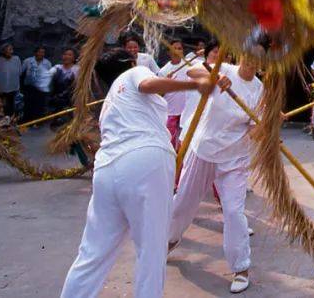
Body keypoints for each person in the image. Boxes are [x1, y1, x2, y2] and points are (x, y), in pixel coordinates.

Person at [59, 43, 221, 298]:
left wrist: (201, 77)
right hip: (144, 162)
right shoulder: (133, 75)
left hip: (107, 171)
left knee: (93, 252)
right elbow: (149, 85)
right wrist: (195, 86)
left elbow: (160, 84)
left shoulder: (112, 98)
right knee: (151, 249)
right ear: (131, 63)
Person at [170, 45, 263, 294]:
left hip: (234, 157)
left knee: (234, 212)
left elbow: (254, 131)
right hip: (204, 149)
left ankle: (241, 268)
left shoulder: (259, 89)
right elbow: (192, 72)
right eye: (249, 56)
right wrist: (213, 77)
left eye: (258, 59)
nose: (252, 62)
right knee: (184, 203)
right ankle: (169, 240)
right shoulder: (224, 68)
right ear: (241, 55)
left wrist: (268, 124)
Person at [156, 39, 193, 148]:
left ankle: (182, 164)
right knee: (169, 141)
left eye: (179, 48)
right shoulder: (163, 71)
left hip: (186, 110)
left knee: (185, 142)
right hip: (170, 111)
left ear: (183, 51)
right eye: (174, 49)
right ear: (169, 52)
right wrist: (165, 82)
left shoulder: (190, 65)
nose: (177, 51)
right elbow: (159, 94)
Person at [21, 46, 53, 121]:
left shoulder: (47, 63)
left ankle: (36, 121)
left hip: (41, 88)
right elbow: (21, 73)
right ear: (35, 52)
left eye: (43, 52)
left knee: (39, 105)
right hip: (29, 87)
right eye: (40, 52)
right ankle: (26, 120)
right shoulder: (27, 61)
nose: (41, 54)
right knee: (28, 104)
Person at [0, 43, 22, 116]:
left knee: (11, 106)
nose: (11, 51)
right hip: (1, 88)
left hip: (13, 87)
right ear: (3, 51)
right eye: (9, 49)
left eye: (12, 49)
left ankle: (9, 122)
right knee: (0, 106)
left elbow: (19, 73)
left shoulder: (16, 59)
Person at [49, 48, 79, 116]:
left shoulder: (76, 69)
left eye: (69, 55)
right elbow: (49, 74)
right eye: (65, 54)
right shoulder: (57, 67)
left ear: (74, 58)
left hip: (70, 100)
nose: (66, 56)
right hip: (57, 98)